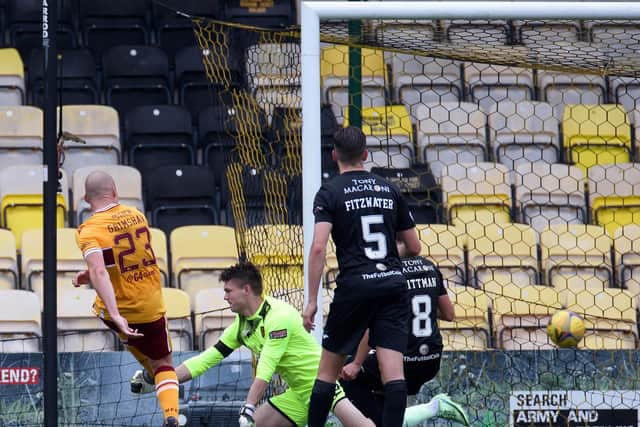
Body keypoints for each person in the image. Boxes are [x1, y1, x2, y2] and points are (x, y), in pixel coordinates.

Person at [133, 261, 378, 427]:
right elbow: (206, 360)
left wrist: (249, 405)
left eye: (228, 291)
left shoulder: (278, 317)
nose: (225, 296)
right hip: (298, 395)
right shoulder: (242, 325)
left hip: (321, 387)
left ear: (246, 290)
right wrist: (162, 380)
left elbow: (266, 368)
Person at [302, 126, 422, 427]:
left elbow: (318, 248)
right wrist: (387, 261)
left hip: (355, 287)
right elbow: (415, 246)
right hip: (393, 285)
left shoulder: (330, 191)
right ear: (366, 155)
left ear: (334, 155)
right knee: (393, 373)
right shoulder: (388, 189)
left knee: (327, 373)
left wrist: (312, 301)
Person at [74, 171, 179, 427]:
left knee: (153, 362)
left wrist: (116, 315)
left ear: (86, 198)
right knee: (165, 364)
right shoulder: (137, 215)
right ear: (115, 191)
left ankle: (151, 374)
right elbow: (126, 258)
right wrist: (94, 274)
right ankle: (171, 415)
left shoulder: (89, 231)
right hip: (148, 307)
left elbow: (102, 268)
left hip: (112, 312)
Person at [339, 256, 470, 426]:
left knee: (346, 376)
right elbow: (448, 314)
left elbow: (372, 328)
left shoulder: (387, 272)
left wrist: (356, 364)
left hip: (401, 362)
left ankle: (431, 408)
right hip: (430, 360)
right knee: (380, 389)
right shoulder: (428, 267)